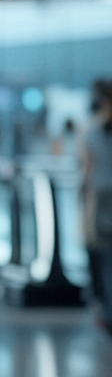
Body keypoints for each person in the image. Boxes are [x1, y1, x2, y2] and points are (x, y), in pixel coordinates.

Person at [81, 79, 112, 332]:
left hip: (100, 199)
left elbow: (87, 173)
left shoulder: (92, 131)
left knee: (103, 260)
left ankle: (108, 311)